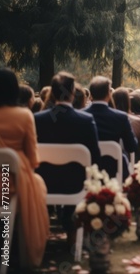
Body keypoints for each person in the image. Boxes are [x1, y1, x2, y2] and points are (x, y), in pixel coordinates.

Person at [34, 71, 101, 246]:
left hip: (42, 183)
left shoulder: (37, 119)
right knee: (81, 173)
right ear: (72, 92)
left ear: (53, 93)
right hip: (76, 185)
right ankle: (73, 232)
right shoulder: (86, 120)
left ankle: (41, 232)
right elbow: (95, 157)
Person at [0, 68, 49, 269]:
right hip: (10, 186)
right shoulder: (24, 116)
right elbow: (33, 160)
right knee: (38, 184)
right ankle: (13, 249)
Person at [84, 76, 138, 181]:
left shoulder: (81, 115)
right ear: (109, 95)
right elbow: (131, 146)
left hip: (86, 170)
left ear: (91, 95)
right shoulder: (120, 117)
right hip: (113, 171)